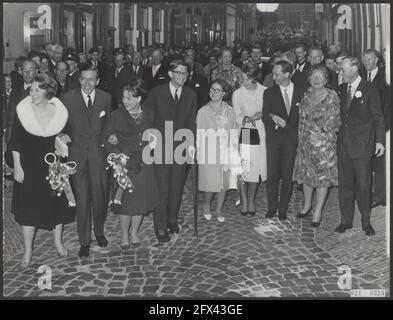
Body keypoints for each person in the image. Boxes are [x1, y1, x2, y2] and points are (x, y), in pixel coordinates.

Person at [9, 73, 74, 267]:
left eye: (38, 89)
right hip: (29, 166)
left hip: (54, 165)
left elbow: (69, 134)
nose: (32, 92)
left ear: (48, 91)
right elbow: (15, 141)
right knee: (28, 209)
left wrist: (63, 139)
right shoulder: (23, 112)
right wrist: (17, 166)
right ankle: (27, 252)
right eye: (31, 89)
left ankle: (58, 242)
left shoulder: (60, 112)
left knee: (57, 206)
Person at [62, 62, 112, 257]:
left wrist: (110, 143)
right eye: (84, 79)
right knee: (82, 200)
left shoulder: (106, 98)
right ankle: (84, 241)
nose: (87, 83)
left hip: (99, 157)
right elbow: (61, 125)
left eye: (92, 79)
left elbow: (108, 126)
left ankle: (99, 232)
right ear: (79, 79)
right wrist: (60, 134)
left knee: (100, 198)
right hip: (78, 156)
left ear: (97, 80)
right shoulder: (67, 98)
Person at [144, 60, 197, 243]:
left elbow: (191, 121)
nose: (181, 77)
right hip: (160, 148)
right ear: (170, 74)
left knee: (176, 187)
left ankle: (171, 220)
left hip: (180, 148)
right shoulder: (157, 93)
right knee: (162, 189)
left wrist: (191, 143)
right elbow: (147, 119)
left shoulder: (190, 94)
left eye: (184, 73)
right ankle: (160, 227)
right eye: (178, 73)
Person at [102, 79, 159, 249]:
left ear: (138, 99)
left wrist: (154, 144)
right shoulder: (116, 115)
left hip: (144, 163)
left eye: (129, 98)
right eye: (124, 97)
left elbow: (155, 134)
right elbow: (106, 138)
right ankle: (125, 234)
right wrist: (117, 156)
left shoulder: (149, 114)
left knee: (140, 202)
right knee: (126, 203)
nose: (125, 101)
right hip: (124, 164)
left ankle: (134, 231)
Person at [335, 57, 385, 236]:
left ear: (354, 69)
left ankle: (366, 222)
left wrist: (379, 141)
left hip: (363, 145)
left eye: (343, 69)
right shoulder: (340, 89)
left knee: (364, 185)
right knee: (345, 185)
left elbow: (379, 118)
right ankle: (346, 221)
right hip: (344, 145)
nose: (340, 72)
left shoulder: (370, 89)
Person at [293, 65, 341, 227]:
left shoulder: (332, 96)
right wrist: (300, 141)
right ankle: (307, 205)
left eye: (320, 77)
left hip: (323, 146)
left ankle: (318, 211)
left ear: (326, 80)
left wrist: (318, 132)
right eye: (314, 77)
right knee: (307, 175)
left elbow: (335, 121)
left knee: (321, 179)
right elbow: (301, 120)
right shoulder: (306, 96)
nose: (316, 80)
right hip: (305, 143)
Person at [262, 60, 303, 221]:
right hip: (274, 140)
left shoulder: (301, 91)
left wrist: (292, 131)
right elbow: (265, 115)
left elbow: (303, 117)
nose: (274, 77)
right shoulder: (269, 92)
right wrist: (273, 118)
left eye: (277, 74)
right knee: (272, 176)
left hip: (292, 140)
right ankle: (272, 207)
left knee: (287, 176)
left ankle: (283, 208)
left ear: (287, 74)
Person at [197, 79, 237, 222]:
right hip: (209, 151)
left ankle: (219, 209)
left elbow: (233, 131)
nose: (214, 93)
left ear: (224, 93)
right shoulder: (203, 111)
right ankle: (206, 206)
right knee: (210, 181)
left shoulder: (229, 111)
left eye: (218, 90)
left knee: (223, 183)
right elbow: (199, 133)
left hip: (225, 150)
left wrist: (234, 151)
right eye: (212, 90)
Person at [233, 62, 267, 216]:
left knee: (256, 168)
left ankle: (252, 199)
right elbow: (237, 115)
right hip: (246, 131)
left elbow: (267, 110)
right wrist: (250, 118)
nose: (243, 82)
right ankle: (243, 199)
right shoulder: (238, 94)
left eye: (246, 79)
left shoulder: (264, 91)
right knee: (244, 167)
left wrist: (261, 114)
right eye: (242, 79)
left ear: (254, 78)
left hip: (260, 131)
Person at [362, 49, 390, 208]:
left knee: (380, 163)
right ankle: (372, 193)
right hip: (367, 128)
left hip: (382, 126)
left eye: (369, 59)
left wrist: (384, 129)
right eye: (364, 59)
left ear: (377, 60)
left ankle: (380, 197)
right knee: (371, 160)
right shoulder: (362, 76)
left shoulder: (384, 77)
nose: (366, 62)